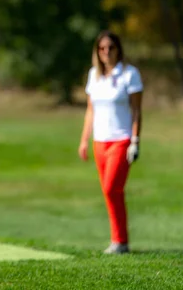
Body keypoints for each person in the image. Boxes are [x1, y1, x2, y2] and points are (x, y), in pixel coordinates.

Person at [78, 30, 143, 255]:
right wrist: (84, 140)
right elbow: (90, 110)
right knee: (111, 192)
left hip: (121, 139)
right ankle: (120, 241)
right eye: (102, 48)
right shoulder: (93, 76)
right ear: (97, 51)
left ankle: (119, 241)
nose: (106, 52)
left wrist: (135, 140)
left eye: (110, 48)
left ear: (118, 49)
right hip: (100, 141)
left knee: (111, 187)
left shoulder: (129, 74)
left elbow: (136, 110)